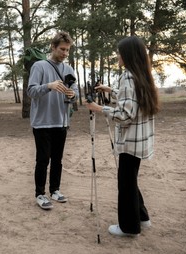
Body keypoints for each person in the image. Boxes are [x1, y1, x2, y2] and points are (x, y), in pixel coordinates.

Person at [86, 35, 160, 236]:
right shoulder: (141, 75)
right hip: (140, 141)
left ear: (127, 55)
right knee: (130, 180)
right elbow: (133, 99)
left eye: (119, 52)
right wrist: (111, 90)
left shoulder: (128, 76)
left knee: (126, 183)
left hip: (129, 141)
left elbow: (125, 115)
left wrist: (100, 108)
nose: (117, 55)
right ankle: (142, 218)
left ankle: (129, 227)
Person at [27, 31, 79, 210]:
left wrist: (73, 95)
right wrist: (48, 86)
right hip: (42, 123)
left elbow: (75, 92)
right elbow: (31, 92)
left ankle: (55, 190)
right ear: (53, 47)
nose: (65, 54)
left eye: (68, 50)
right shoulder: (39, 66)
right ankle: (40, 194)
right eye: (62, 49)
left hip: (61, 122)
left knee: (58, 159)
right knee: (43, 160)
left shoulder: (69, 69)